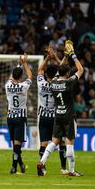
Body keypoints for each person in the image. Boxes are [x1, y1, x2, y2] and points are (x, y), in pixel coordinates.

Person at [37, 40, 84, 177]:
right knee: (69, 142)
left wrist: (63, 56)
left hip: (57, 115)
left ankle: (42, 161)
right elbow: (80, 70)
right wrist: (72, 54)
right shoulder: (69, 83)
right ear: (68, 73)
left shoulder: (53, 83)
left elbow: (59, 70)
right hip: (68, 116)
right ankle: (71, 170)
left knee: (54, 141)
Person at [37, 46, 68, 175]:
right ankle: (63, 168)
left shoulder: (41, 83)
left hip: (43, 116)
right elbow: (62, 68)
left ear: (45, 75)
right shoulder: (57, 83)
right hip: (55, 116)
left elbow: (40, 69)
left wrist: (47, 58)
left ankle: (42, 166)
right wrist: (55, 56)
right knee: (60, 142)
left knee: (44, 143)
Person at [5, 53, 33, 174]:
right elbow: (31, 75)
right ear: (21, 77)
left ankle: (21, 164)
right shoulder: (23, 86)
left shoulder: (7, 85)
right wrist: (25, 63)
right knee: (17, 144)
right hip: (20, 117)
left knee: (15, 144)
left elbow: (12, 77)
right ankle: (13, 166)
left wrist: (18, 64)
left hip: (10, 116)